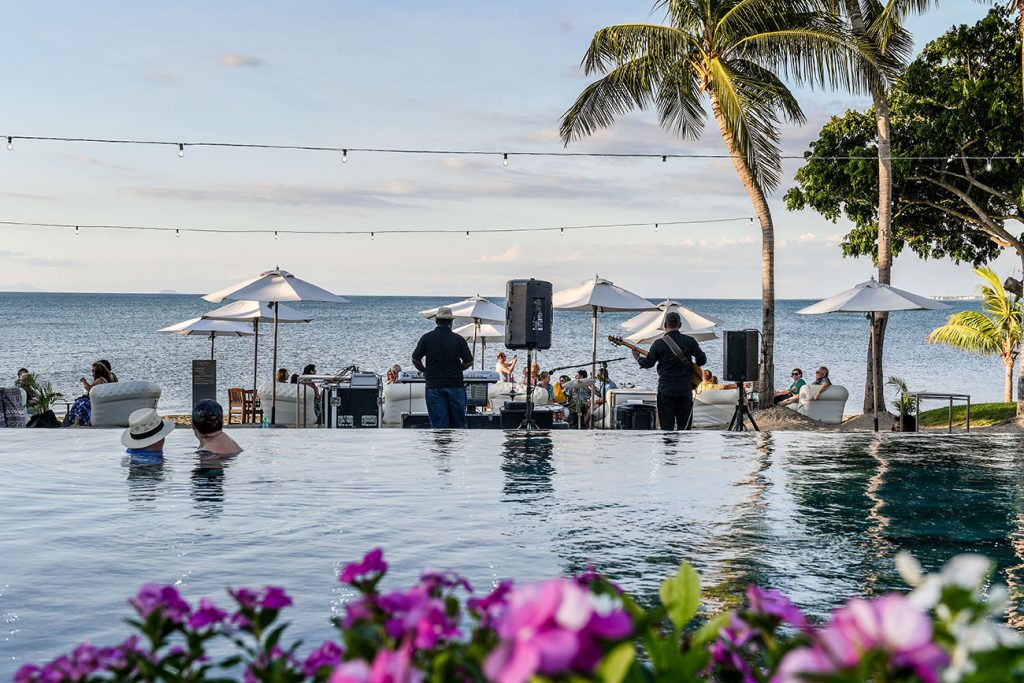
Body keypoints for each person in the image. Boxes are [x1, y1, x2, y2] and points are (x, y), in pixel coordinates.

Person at [633, 311, 707, 431]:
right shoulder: (690, 341)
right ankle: (683, 449)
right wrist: (693, 367)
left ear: (665, 325)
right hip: (684, 389)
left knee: (667, 428)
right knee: (685, 428)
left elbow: (648, 363)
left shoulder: (658, 344)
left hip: (665, 390)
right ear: (680, 325)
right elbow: (702, 360)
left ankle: (668, 449)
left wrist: (638, 358)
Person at [412, 306, 474, 428]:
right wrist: (458, 368)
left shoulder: (427, 338)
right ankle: (456, 447)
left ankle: (441, 446)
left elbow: (415, 359)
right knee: (459, 424)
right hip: (455, 384)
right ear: (451, 322)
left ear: (436, 320)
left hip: (434, 385)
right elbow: (469, 361)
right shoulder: (458, 339)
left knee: (439, 425)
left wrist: (424, 370)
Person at [65, 362, 112, 426]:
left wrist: (84, 382)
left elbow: (89, 388)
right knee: (81, 401)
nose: (92, 372)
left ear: (97, 371)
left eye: (93, 370)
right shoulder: (105, 380)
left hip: (97, 402)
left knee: (80, 402)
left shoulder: (99, 380)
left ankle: (76, 422)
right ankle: (78, 422)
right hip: (100, 401)